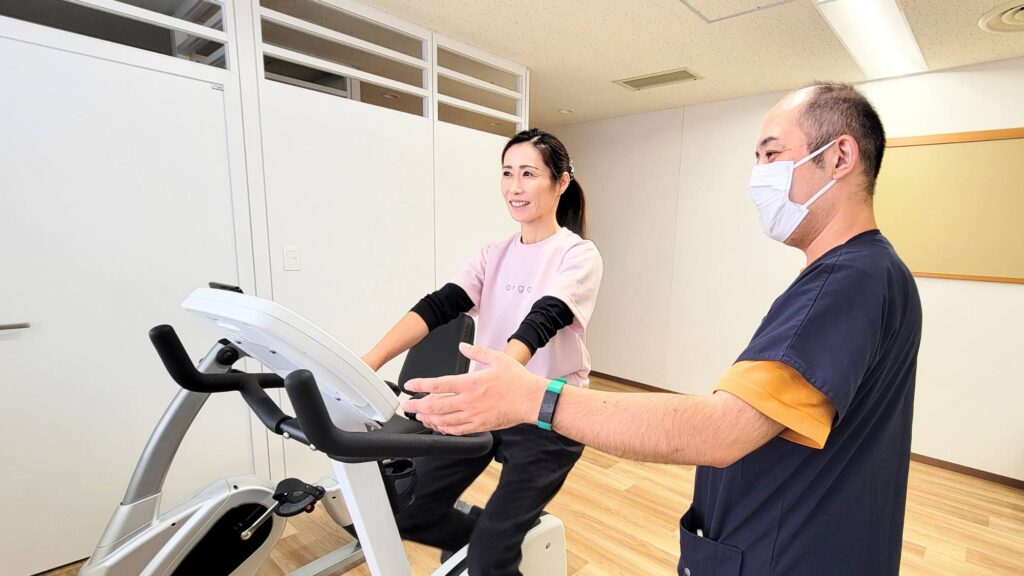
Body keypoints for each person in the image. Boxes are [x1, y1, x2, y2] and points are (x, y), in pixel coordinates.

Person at [402, 83, 922, 576]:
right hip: (794, 540)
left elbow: (722, 431)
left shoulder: (848, 281)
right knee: (443, 517)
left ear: (839, 157)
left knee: (492, 545)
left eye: (771, 155)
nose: (758, 176)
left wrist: (532, 397)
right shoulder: (868, 273)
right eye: (757, 158)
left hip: (789, 554)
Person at [361, 128, 603, 575]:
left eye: (528, 173)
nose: (514, 186)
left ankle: (490, 552)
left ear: (561, 182)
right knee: (408, 510)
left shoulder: (578, 254)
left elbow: (543, 319)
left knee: (491, 557)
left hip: (547, 412)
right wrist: (368, 361)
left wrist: (496, 378)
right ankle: (479, 543)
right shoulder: (494, 254)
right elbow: (439, 306)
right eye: (507, 173)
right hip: (487, 404)